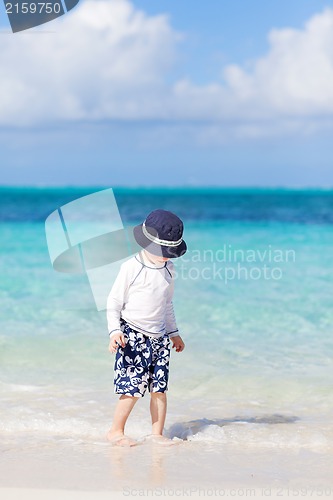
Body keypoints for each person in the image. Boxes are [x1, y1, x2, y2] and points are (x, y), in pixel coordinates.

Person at [106, 209, 187, 446]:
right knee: (132, 388)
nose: (166, 257)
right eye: (163, 252)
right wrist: (114, 332)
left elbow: (167, 304)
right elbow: (113, 302)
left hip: (160, 338)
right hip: (131, 335)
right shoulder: (131, 267)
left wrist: (174, 333)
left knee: (159, 390)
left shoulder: (169, 270)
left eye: (170, 253)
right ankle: (116, 431)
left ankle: (157, 434)